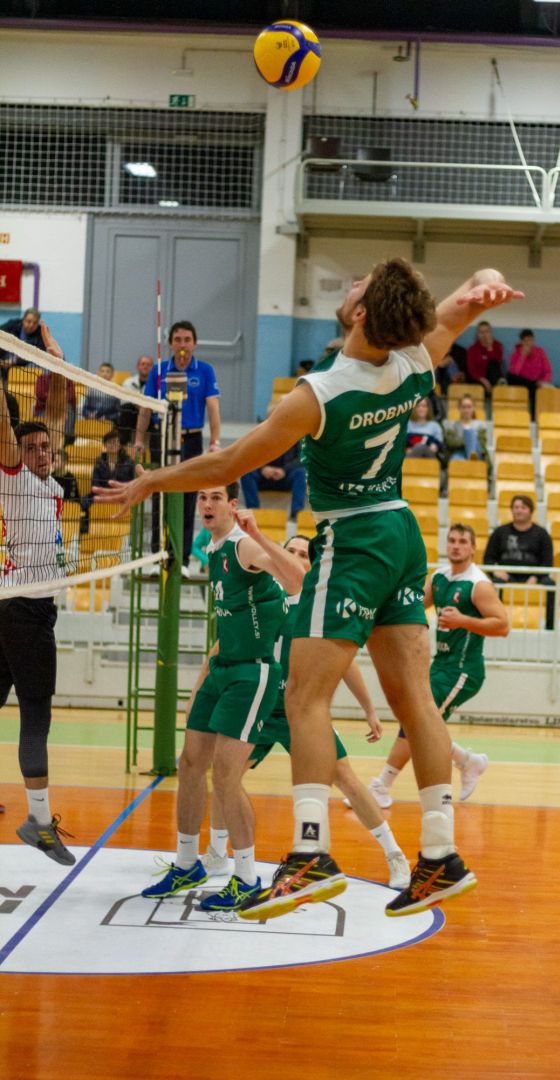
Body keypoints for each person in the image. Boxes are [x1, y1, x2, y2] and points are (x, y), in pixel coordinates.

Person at [94, 258, 524, 920]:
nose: (352, 284)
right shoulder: (416, 359)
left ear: (361, 314)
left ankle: (310, 854)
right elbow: (462, 305)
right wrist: (484, 285)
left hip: (352, 540)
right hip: (402, 534)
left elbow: (228, 461)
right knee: (416, 703)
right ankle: (439, 855)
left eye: (358, 283)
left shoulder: (318, 395)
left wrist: (151, 480)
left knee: (303, 698)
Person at [140, 488, 305, 910]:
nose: (207, 505)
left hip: (252, 673)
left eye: (216, 498)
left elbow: (296, 580)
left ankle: (247, 877)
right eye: (202, 499)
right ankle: (187, 863)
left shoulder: (242, 545)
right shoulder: (213, 549)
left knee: (227, 777)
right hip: (222, 668)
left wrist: (260, 534)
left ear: (233, 506)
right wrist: (201, 683)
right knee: (189, 764)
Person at [227, 533, 411, 891]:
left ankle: (395, 855)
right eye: (290, 551)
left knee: (347, 780)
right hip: (261, 704)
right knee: (225, 777)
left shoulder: (318, 607)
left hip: (302, 710)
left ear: (312, 566)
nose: (296, 558)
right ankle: (217, 853)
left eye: (303, 554)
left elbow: (345, 663)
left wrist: (369, 709)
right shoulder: (260, 595)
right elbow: (229, 644)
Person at [0, 322, 77, 865]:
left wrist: (56, 364)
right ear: (18, 453)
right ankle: (39, 822)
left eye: (47, 446)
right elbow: (9, 428)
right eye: (33, 447)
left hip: (12, 604)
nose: (43, 451)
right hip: (26, 610)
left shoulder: (49, 481)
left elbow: (57, 416)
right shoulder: (13, 477)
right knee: (35, 714)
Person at [368, 523, 507, 809]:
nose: (456, 545)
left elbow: (502, 625)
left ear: (473, 548)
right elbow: (414, 607)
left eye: (462, 541)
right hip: (438, 665)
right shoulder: (440, 578)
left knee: (417, 721)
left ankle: (382, 785)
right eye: (452, 540)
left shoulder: (478, 585)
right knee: (423, 723)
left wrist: (463, 621)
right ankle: (468, 761)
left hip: (463, 670)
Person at [134, 320, 221, 570]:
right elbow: (146, 407)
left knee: (188, 498)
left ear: (194, 343)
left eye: (187, 340)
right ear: (171, 343)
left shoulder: (205, 370)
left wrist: (214, 441)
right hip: (162, 437)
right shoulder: (159, 370)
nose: (182, 344)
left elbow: (213, 407)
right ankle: (156, 556)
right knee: (158, 493)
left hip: (191, 439)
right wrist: (139, 439)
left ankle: (181, 559)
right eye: (178, 340)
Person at [483, 494, 555, 630]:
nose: (519, 510)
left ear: (531, 511)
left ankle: (550, 628)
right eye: (516, 507)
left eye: (523, 507)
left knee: (551, 585)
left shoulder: (542, 534)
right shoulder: (500, 532)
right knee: (493, 584)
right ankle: (495, 625)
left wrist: (536, 577)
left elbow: (547, 562)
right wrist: (495, 571)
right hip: (506, 576)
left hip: (534, 577)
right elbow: (488, 559)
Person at [240, 431, 307, 521]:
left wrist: (284, 470)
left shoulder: (296, 435)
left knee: (301, 473)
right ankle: (254, 511)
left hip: (285, 477)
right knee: (247, 473)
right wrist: (262, 467)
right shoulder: (260, 433)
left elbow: (301, 458)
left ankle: (296, 514)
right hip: (262, 477)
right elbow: (249, 455)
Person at [507, 329, 553, 415]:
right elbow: (514, 373)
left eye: (531, 340)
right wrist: (522, 356)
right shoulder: (516, 354)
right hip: (522, 386)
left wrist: (544, 381)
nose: (529, 343)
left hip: (537, 386)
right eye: (526, 341)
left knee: (537, 391)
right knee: (510, 376)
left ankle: (533, 419)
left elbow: (548, 371)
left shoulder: (540, 352)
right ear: (521, 342)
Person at [117, 355, 154, 446]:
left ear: (153, 368)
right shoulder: (128, 382)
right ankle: (123, 444)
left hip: (150, 416)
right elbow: (124, 401)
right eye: (143, 364)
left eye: (148, 364)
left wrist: (144, 408)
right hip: (132, 414)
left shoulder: (156, 384)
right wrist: (140, 406)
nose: (145, 366)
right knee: (127, 408)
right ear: (138, 367)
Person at [0, 307, 43, 382]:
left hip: (23, 363)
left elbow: (37, 355)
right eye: (29, 321)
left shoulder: (41, 334)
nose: (31, 325)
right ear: (23, 320)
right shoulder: (12, 324)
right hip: (4, 358)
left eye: (35, 323)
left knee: (34, 367)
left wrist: (14, 361)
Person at [442, 393, 487, 461]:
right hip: (459, 452)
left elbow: (482, 444)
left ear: (473, 408)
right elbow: (451, 443)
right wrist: (468, 440)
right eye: (463, 407)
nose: (466, 410)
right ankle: (469, 459)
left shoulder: (480, 425)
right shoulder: (452, 426)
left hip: (476, 453)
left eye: (469, 407)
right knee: (455, 458)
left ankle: (471, 458)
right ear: (459, 408)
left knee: (470, 432)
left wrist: (467, 438)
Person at [465, 320, 504, 393]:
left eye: (487, 331)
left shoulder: (498, 346)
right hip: (479, 379)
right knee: (478, 385)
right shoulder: (472, 349)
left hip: (493, 377)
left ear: (491, 333)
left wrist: (490, 347)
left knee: (493, 363)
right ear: (477, 334)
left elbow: (498, 362)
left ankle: (498, 388)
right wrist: (483, 380)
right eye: (481, 332)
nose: (484, 335)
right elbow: (471, 369)